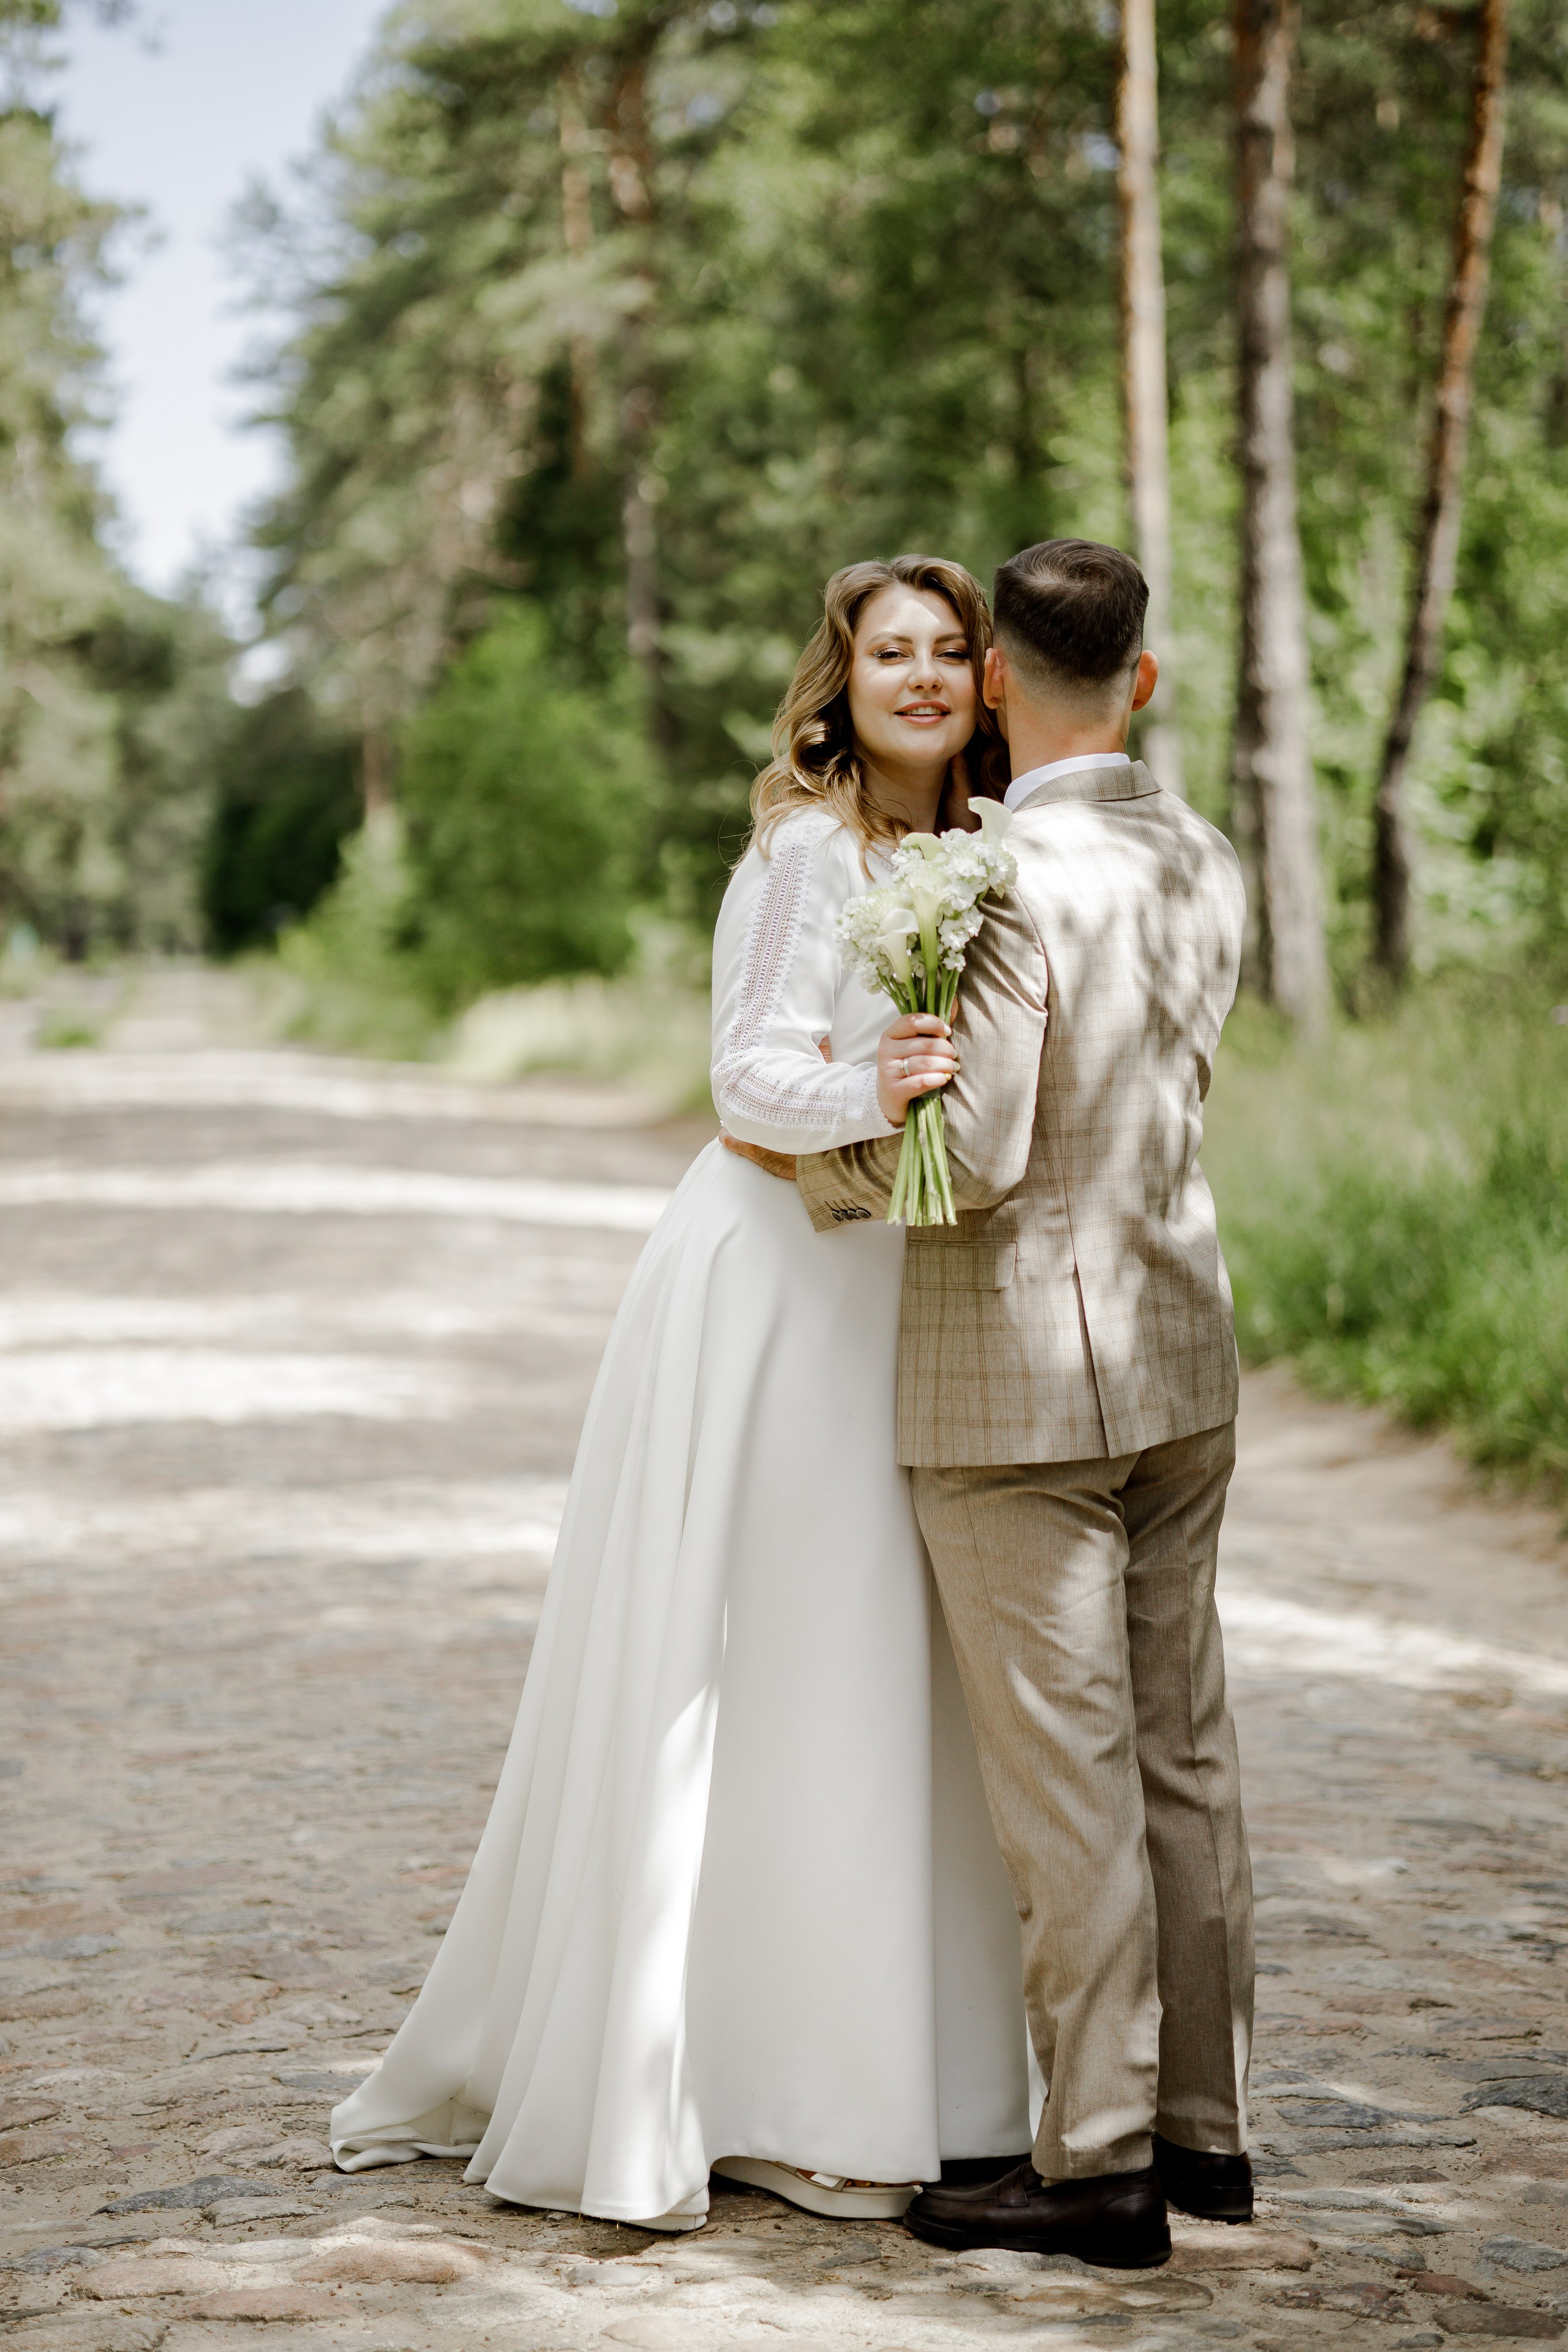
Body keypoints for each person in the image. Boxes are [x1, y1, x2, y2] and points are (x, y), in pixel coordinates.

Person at [329, 554, 1033, 2233]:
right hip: (773, 1286)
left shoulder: (989, 854)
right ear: (842, 678)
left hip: (892, 1290)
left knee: (880, 1670)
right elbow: (742, 1073)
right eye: (892, 653)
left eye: (950, 652)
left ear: (985, 683)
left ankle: (911, 2082)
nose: (922, 677)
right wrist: (875, 1078)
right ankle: (738, 2086)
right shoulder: (805, 847)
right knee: (771, 1663)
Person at [795, 538, 1254, 2271]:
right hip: (1183, 1356)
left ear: (996, 683)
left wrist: (823, 1168)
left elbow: (971, 1157)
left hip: (1021, 1393)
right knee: (1184, 1756)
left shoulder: (994, 872)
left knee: (1070, 1786)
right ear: (1141, 681)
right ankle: (1210, 2134)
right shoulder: (1202, 851)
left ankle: (1099, 2165)